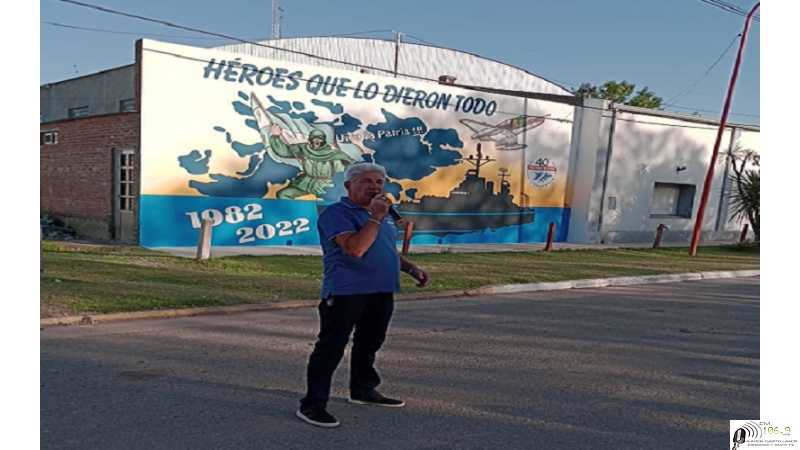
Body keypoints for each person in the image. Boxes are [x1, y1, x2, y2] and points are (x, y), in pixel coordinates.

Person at [296, 162, 430, 428]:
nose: (375, 187)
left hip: (381, 290)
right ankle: (313, 404)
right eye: (367, 181)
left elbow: (384, 249)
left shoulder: (382, 214)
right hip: (346, 291)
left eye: (379, 182)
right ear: (349, 185)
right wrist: (376, 218)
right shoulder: (337, 214)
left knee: (370, 343)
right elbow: (355, 249)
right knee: (331, 347)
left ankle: (363, 390)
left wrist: (410, 268)